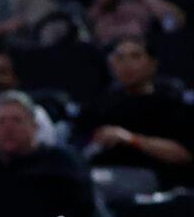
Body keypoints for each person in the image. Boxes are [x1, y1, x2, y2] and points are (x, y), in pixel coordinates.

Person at [81, 34, 194, 188]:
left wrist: (131, 139)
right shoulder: (101, 104)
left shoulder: (172, 103)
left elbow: (184, 155)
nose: (127, 64)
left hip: (154, 176)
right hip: (102, 171)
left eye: (135, 56)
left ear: (152, 63)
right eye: (120, 58)